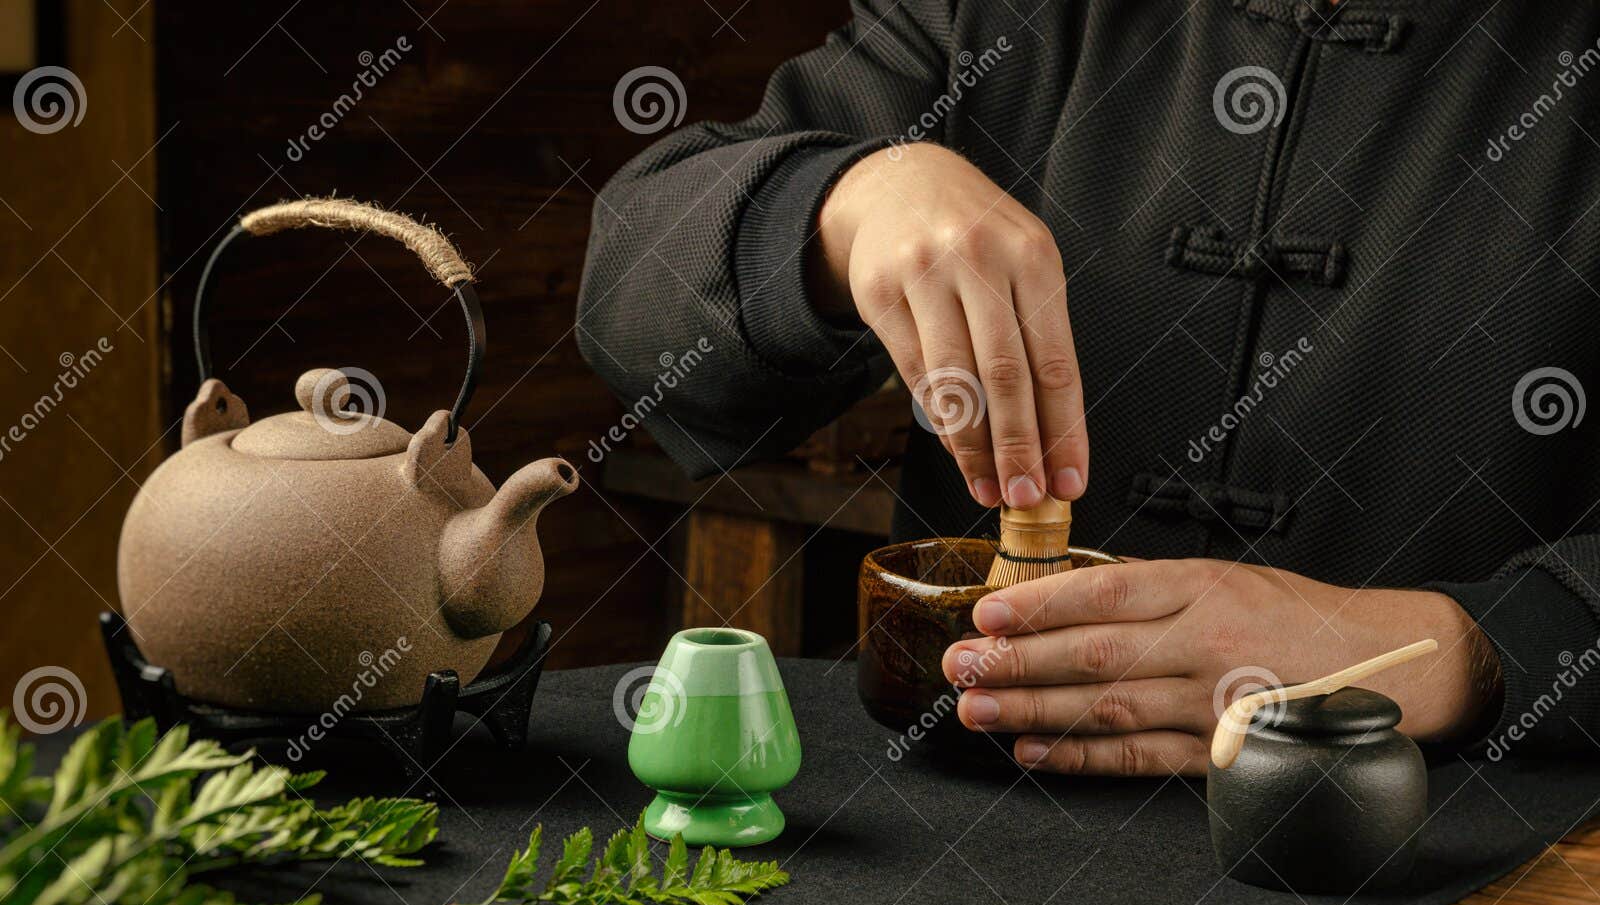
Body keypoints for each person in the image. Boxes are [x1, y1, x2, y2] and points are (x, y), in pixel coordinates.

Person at [578, 2, 1600, 775]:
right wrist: (841, 209)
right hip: (968, 826)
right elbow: (630, 296)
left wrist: (1454, 653)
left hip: (1447, 863)